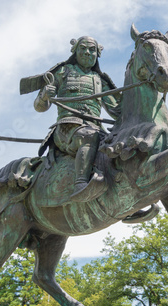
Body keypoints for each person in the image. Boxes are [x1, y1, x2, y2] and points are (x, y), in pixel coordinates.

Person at [33, 36, 120, 202]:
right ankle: (81, 184)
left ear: (97, 54)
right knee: (88, 136)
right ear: (75, 51)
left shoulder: (100, 80)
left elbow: (118, 110)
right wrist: (45, 96)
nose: (88, 52)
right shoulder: (62, 72)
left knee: (119, 146)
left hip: (95, 128)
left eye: (92, 50)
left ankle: (124, 198)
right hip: (66, 128)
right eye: (83, 48)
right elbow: (39, 106)